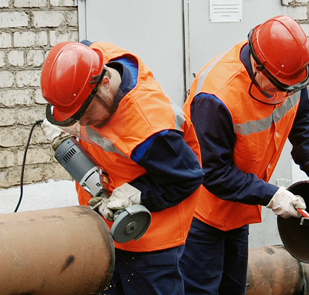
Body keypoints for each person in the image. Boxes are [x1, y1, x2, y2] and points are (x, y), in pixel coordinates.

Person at [180, 15, 309, 295]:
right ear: (257, 65)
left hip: (237, 209)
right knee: (200, 290)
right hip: (200, 215)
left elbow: (303, 119)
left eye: (290, 88)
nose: (283, 95)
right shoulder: (216, 96)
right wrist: (272, 194)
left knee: (233, 288)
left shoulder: (287, 76)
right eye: (278, 87)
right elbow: (212, 172)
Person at [40, 40, 204, 295]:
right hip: (102, 227)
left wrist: (135, 195)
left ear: (104, 83)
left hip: (149, 241)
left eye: (82, 112)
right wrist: (63, 126)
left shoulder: (151, 130)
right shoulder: (94, 58)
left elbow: (188, 178)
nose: (81, 122)